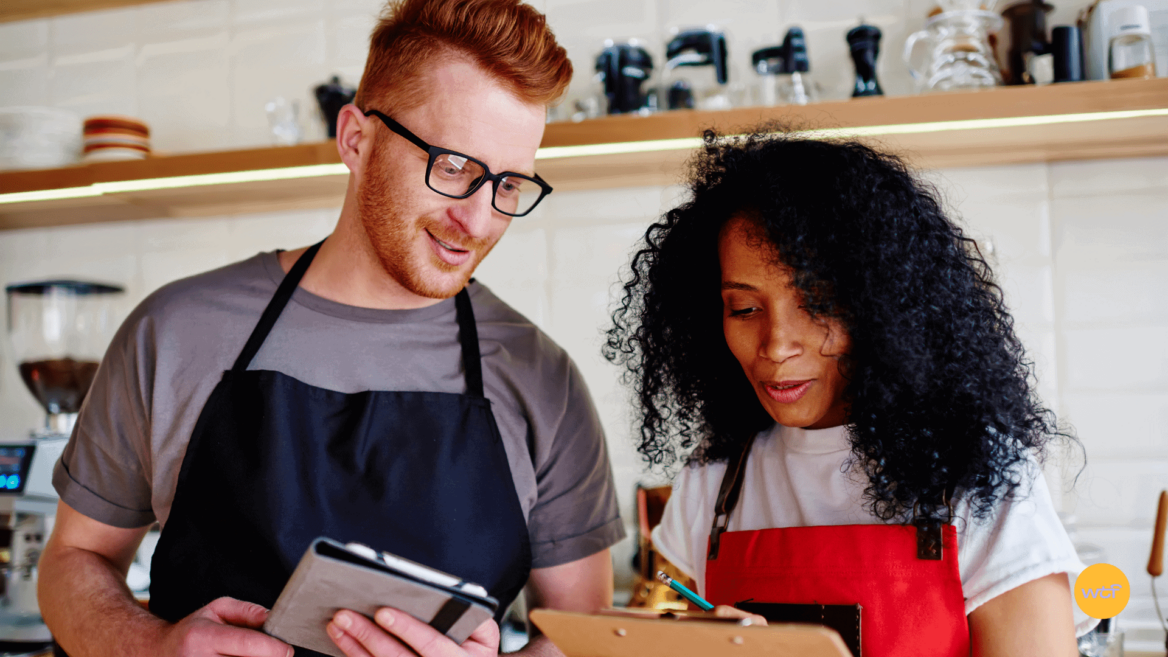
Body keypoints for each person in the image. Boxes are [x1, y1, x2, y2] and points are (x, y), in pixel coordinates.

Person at [38, 1, 625, 656]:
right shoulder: (174, 331)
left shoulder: (543, 378)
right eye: (453, 167)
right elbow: (72, 560)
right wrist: (150, 646)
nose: (479, 220)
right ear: (356, 137)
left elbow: (585, 634)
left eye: (508, 183)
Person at [604, 129, 1090, 657]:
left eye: (817, 304)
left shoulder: (978, 474)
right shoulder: (717, 479)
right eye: (744, 309)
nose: (776, 345)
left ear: (882, 308)